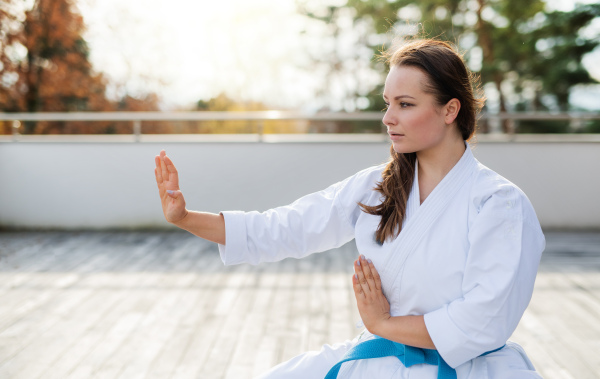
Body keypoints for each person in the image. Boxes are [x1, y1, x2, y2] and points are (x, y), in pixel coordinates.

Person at [154, 39, 545, 378]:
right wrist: (186, 218)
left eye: (405, 104)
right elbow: (288, 227)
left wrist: (383, 322)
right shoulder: (377, 187)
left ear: (450, 110)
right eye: (387, 103)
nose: (388, 118)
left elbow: (484, 320)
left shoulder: (498, 203)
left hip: (469, 369)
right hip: (380, 360)